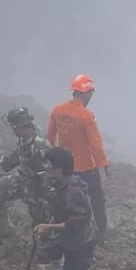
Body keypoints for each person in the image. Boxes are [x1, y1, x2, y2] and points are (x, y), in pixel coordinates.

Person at [47, 74, 110, 239]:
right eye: (91, 93)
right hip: (85, 167)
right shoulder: (86, 116)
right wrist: (103, 164)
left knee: (65, 198)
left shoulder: (58, 110)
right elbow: (96, 144)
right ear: (87, 93)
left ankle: (60, 228)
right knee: (97, 198)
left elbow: (50, 135)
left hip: (66, 168)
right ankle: (101, 230)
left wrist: (57, 155)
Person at [0, 108, 53, 239]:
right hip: (23, 177)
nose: (12, 131)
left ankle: (45, 247)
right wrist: (0, 161)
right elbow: (18, 155)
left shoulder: (40, 144)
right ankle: (3, 228)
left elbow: (47, 174)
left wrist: (38, 195)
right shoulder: (24, 137)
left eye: (14, 128)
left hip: (37, 185)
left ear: (21, 126)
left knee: (40, 221)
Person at [35, 147, 96, 270]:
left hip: (81, 241)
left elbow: (75, 222)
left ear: (59, 168)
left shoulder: (72, 191)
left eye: (49, 165)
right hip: (74, 239)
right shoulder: (63, 184)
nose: (46, 168)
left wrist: (48, 227)